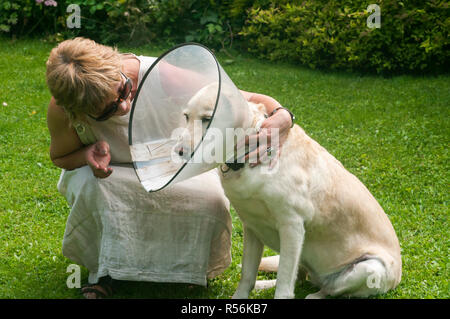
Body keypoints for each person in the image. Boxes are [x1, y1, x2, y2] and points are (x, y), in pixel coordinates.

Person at [45, 37, 293, 298]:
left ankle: (186, 270)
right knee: (96, 188)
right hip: (114, 174)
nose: (124, 106)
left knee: (209, 199)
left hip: (176, 164)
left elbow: (243, 98)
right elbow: (60, 157)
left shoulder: (161, 74)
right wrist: (86, 154)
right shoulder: (63, 110)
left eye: (123, 90)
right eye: (106, 111)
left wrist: (283, 116)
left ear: (117, 67)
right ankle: (105, 273)